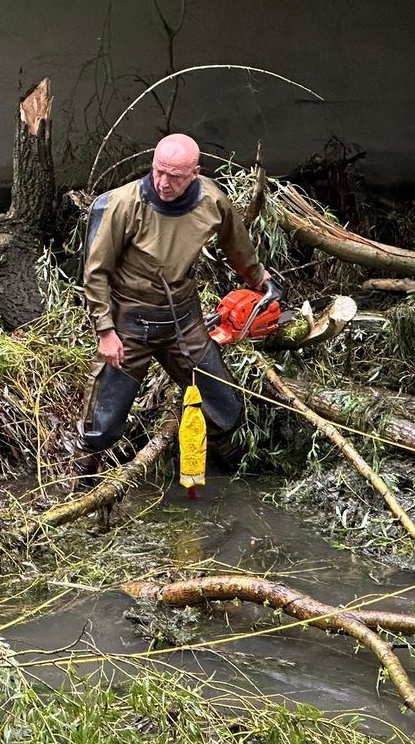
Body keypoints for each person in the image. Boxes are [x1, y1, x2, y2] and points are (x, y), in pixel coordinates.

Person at [73, 133, 282, 484]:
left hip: (183, 321)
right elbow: (96, 273)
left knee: (223, 403)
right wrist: (105, 331)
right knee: (103, 419)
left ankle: (234, 469)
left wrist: (259, 279)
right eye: (158, 172)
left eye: (175, 176)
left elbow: (237, 244)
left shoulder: (211, 200)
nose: (163, 183)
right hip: (129, 322)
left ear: (195, 173)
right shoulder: (121, 205)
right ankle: (84, 483)